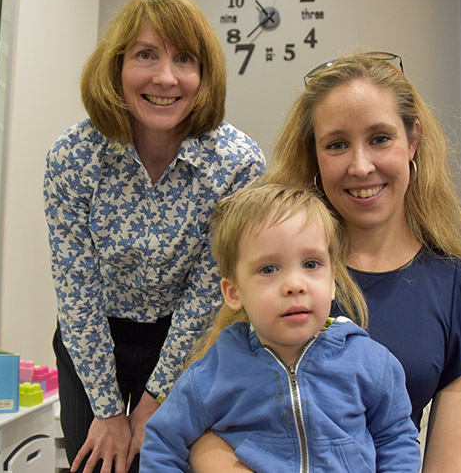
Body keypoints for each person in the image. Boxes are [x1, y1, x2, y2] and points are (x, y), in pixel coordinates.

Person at [190, 52, 461, 472]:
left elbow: (455, 462)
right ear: (315, 155)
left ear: (413, 140)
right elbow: (203, 428)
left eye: (380, 138)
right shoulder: (271, 263)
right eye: (337, 144)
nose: (361, 166)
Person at [43, 0, 266, 473]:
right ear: (117, 67)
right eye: (146, 55)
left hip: (185, 339)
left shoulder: (236, 163)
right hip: (93, 338)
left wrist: (152, 400)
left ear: (204, 75)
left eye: (184, 59)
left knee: (165, 463)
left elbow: (209, 290)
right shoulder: (73, 157)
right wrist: (108, 411)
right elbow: (75, 288)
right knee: (95, 462)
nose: (166, 78)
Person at [141, 183, 421, 472]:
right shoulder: (213, 373)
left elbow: (396, 440)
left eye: (311, 264)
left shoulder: (371, 362)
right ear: (233, 293)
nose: (295, 285)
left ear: (333, 280)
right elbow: (162, 443)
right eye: (269, 269)